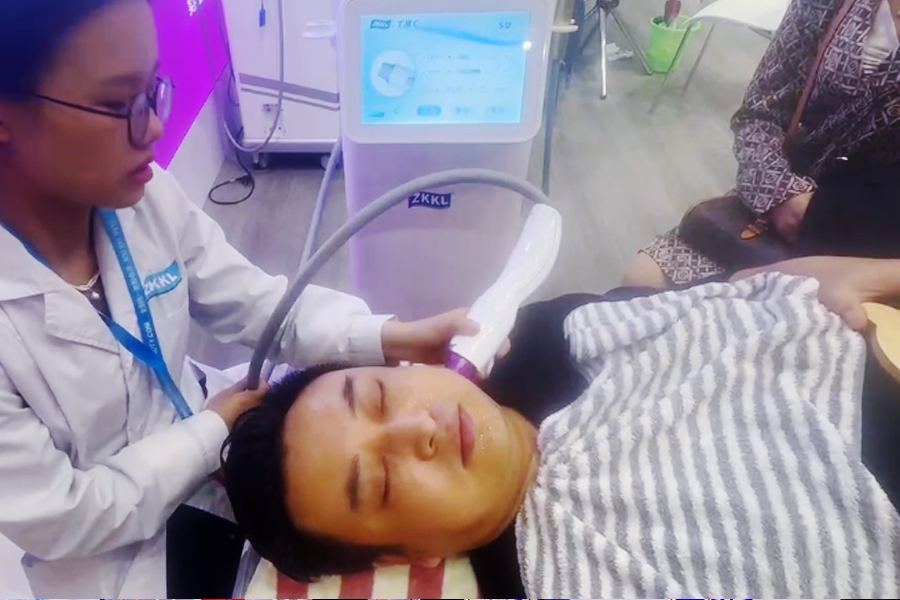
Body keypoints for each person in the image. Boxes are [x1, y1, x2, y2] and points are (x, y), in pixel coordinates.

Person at [0, 1, 479, 597]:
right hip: (113, 558)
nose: (153, 129)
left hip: (216, 442)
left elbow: (254, 303)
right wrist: (209, 434)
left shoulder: (143, 199)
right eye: (119, 104)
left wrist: (390, 338)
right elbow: (65, 516)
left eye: (153, 91)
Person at [224, 255, 900, 598]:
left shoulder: (548, 333)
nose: (414, 431)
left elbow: (742, 289)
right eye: (379, 482)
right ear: (408, 556)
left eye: (378, 395)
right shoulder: (557, 579)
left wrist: (869, 275)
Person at [625, 0, 900, 288]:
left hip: (876, 246)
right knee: (643, 279)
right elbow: (759, 112)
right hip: (785, 195)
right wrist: (781, 194)